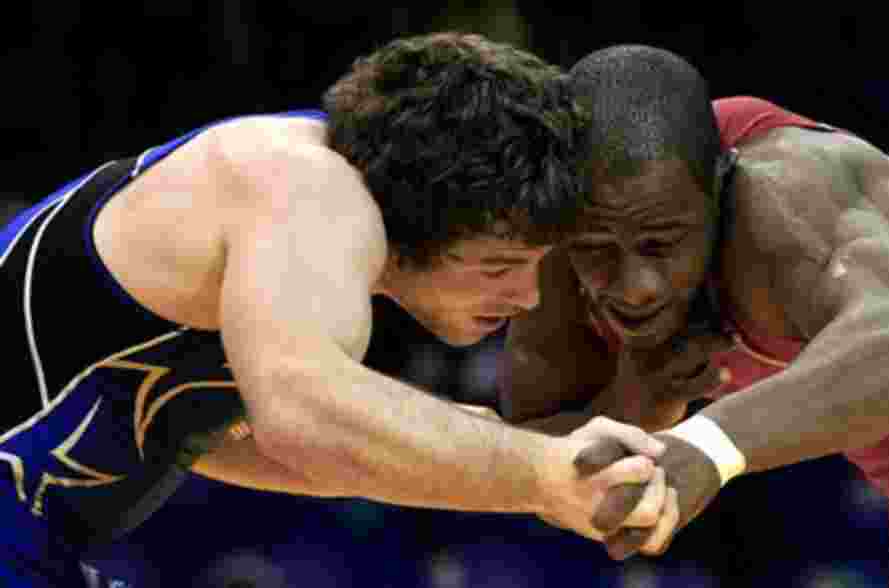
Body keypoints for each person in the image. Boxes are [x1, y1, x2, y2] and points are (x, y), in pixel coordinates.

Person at [0, 33, 680, 588]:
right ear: (417, 216)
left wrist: (500, 464)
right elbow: (303, 415)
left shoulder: (290, 195)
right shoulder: (305, 185)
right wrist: (534, 470)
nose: (528, 297)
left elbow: (220, 440)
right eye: (499, 266)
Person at [499, 45, 889, 584]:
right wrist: (635, 405)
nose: (636, 288)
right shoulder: (567, 229)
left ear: (718, 185)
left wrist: (708, 443)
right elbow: (538, 454)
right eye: (598, 250)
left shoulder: (785, 190)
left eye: (661, 244)